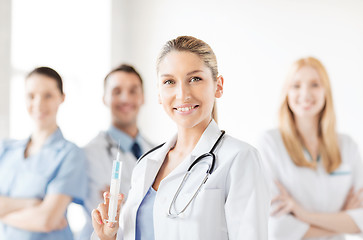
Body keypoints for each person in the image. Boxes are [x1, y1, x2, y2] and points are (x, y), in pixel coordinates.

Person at [91, 36, 270, 240]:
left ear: (218, 85)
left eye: (195, 79)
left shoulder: (240, 158)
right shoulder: (146, 165)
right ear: (159, 93)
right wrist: (108, 237)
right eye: (169, 82)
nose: (182, 93)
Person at [257, 57, 363, 239]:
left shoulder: (347, 146)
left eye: (315, 84)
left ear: (326, 92)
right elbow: (277, 226)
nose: (305, 94)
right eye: (296, 85)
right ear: (287, 93)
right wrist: (343, 223)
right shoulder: (271, 143)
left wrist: (301, 214)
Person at [0, 67, 87, 240]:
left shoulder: (70, 154)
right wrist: (32, 204)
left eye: (48, 95)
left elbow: (46, 220)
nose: (39, 104)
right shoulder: (6, 149)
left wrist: (5, 212)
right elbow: (44, 218)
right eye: (31, 96)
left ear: (62, 98)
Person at [79, 64, 153, 239]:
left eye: (133, 91)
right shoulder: (88, 154)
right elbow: (103, 211)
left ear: (142, 97)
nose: (125, 98)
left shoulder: (158, 152)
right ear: (104, 98)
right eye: (117, 91)